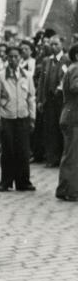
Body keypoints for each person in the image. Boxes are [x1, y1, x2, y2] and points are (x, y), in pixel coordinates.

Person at [0, 46, 36, 192]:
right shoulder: (0, 76)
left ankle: (24, 182)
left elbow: (31, 98)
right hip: (6, 117)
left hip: (22, 117)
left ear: (20, 58)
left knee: (23, 150)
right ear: (7, 59)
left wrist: (32, 117)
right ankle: (6, 182)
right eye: (10, 57)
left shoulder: (27, 75)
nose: (14, 59)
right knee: (8, 150)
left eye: (16, 56)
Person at [38, 35, 69, 167]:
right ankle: (52, 157)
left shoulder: (66, 60)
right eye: (51, 44)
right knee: (50, 128)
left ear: (61, 44)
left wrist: (60, 88)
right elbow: (41, 81)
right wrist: (40, 99)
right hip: (49, 100)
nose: (53, 47)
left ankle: (63, 158)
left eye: (56, 44)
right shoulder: (47, 61)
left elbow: (67, 77)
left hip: (61, 100)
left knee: (61, 128)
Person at [57, 43, 78, 201]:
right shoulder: (76, 68)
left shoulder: (72, 68)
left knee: (69, 154)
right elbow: (75, 87)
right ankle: (70, 191)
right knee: (72, 155)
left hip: (70, 115)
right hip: (73, 117)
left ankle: (64, 189)